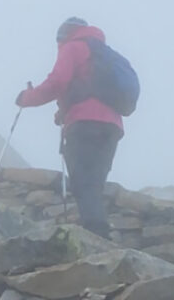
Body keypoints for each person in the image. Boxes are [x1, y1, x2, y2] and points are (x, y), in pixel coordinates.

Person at [15, 17, 123, 238]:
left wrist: (27, 98)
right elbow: (89, 91)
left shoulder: (74, 47)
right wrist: (63, 113)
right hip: (112, 126)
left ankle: (96, 234)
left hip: (84, 124)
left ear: (64, 35)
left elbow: (57, 82)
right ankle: (99, 229)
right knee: (95, 180)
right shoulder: (104, 54)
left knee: (83, 180)